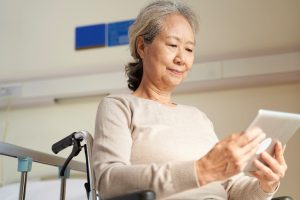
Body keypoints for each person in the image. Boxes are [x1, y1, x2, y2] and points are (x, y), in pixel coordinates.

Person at [92, 0, 287, 199]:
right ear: (142, 47)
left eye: (189, 49)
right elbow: (110, 181)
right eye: (173, 45)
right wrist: (200, 171)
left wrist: (266, 184)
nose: (181, 58)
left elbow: (231, 188)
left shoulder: (197, 117)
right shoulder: (119, 107)